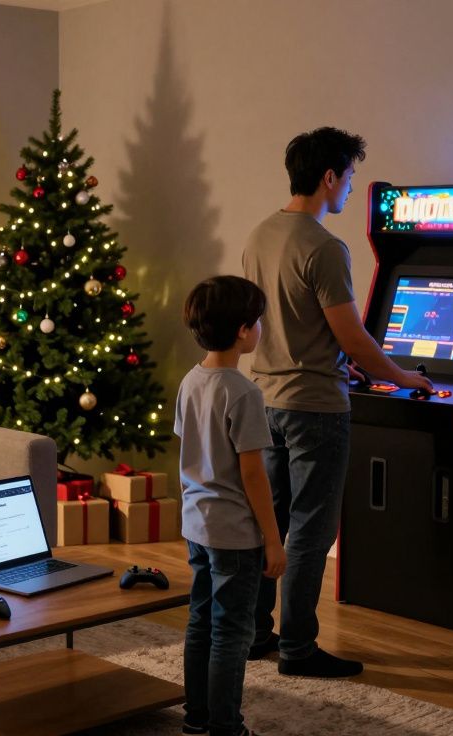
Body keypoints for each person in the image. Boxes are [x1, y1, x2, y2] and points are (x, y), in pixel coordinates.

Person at [242, 127, 431, 678]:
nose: (349, 187)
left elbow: (281, 323)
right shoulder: (325, 247)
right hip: (316, 409)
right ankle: (298, 649)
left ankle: (255, 633)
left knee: (268, 523)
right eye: (349, 176)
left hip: (267, 399)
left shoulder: (259, 234)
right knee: (310, 531)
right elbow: (353, 337)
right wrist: (403, 377)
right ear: (329, 176)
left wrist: (335, 358)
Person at [176, 275, 287, 736]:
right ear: (243, 331)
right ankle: (227, 726)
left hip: (197, 526)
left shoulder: (191, 380)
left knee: (200, 621)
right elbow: (253, 474)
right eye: (257, 320)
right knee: (232, 633)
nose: (260, 328)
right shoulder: (242, 392)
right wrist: (274, 540)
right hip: (235, 535)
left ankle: (196, 717)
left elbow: (190, 448)